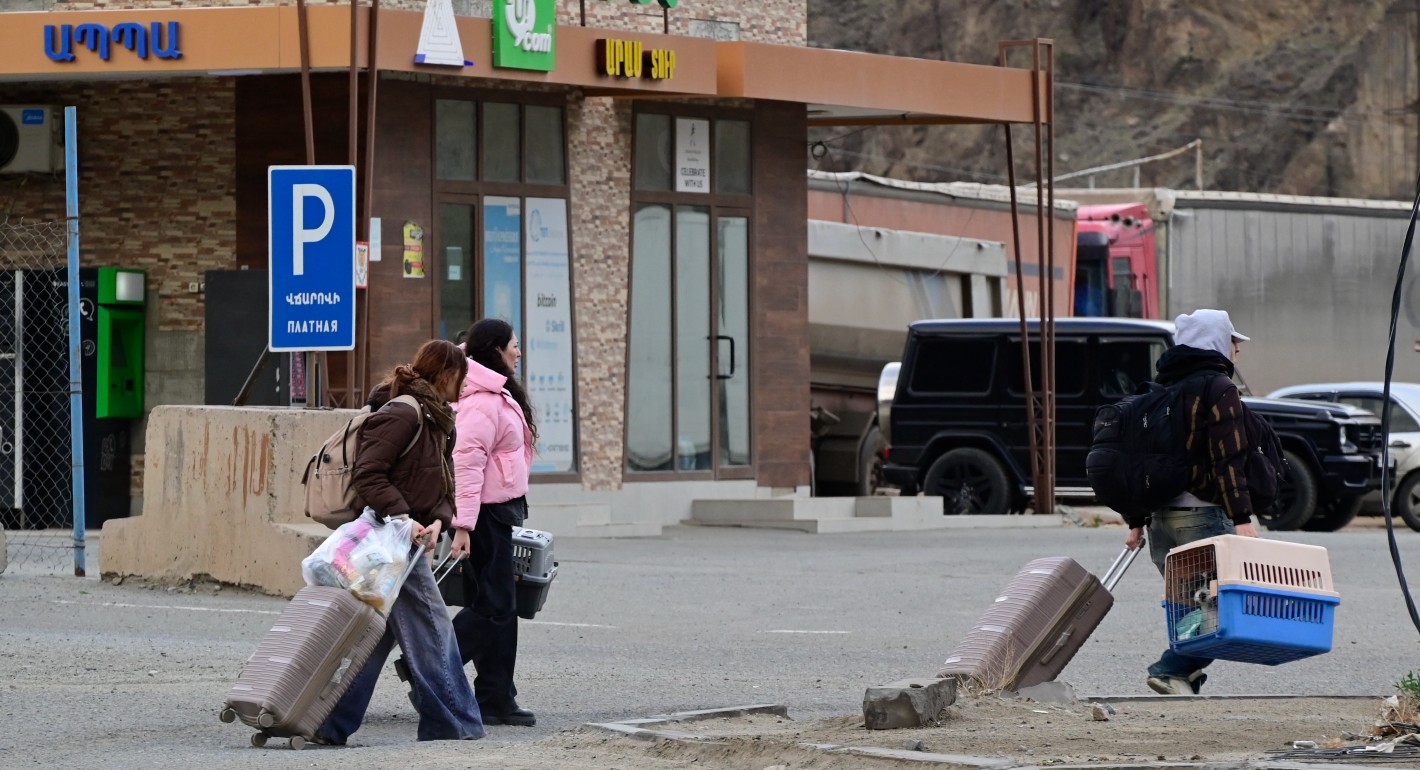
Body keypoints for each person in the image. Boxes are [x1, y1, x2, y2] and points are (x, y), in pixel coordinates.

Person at [315, 339, 485, 744]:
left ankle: (329, 723)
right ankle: (451, 722)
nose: (465, 386)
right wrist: (402, 517)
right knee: (434, 627)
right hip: (390, 538)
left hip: (409, 537)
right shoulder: (403, 413)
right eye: (461, 377)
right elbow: (369, 474)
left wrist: (440, 521)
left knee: (374, 637)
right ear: (445, 374)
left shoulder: (437, 418)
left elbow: (440, 482)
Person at [1124, 308, 1261, 696]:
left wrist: (1136, 520)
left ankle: (1185, 676)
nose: (1237, 348)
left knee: (1189, 606)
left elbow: (1138, 460)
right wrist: (1241, 517)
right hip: (1203, 515)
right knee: (1222, 610)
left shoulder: (1160, 388)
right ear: (1216, 341)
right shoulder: (1217, 388)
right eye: (1233, 340)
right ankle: (1171, 668)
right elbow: (1228, 456)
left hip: (1161, 520)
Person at [448, 318, 538, 727]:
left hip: (500, 509)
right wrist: (464, 525)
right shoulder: (482, 399)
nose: (518, 351)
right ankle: (430, 666)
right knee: (495, 605)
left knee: (498, 607)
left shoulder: (494, 391)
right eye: (514, 345)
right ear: (495, 349)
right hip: (484, 515)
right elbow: (466, 463)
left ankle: (496, 697)